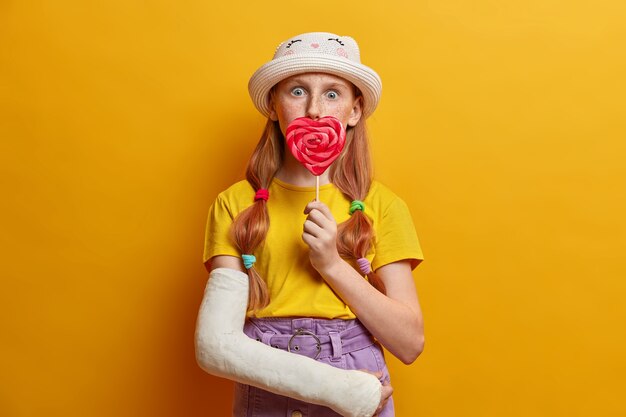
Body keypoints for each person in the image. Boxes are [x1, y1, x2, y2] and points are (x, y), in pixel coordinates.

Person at [196, 32, 424, 417]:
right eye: (297, 91)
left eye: (333, 94)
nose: (315, 110)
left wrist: (332, 264)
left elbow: (409, 343)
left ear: (354, 111)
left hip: (356, 377)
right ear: (273, 105)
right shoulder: (234, 204)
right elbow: (215, 343)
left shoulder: (382, 206)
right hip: (266, 380)